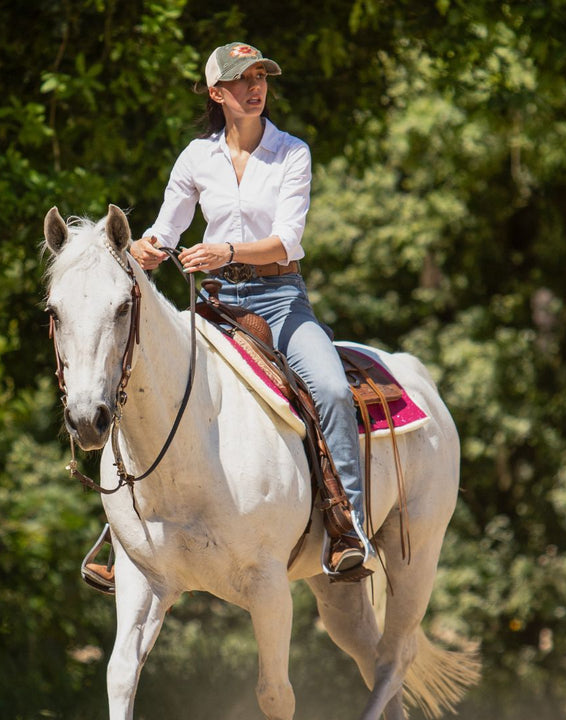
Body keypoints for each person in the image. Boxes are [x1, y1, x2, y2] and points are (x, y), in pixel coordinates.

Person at [85, 41, 375, 588]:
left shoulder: (292, 152)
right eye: (243, 79)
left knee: (333, 392)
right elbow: (164, 232)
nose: (256, 86)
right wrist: (145, 249)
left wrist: (227, 252)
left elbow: (288, 243)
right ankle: (120, 533)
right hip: (215, 304)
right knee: (141, 382)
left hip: (279, 299)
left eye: (262, 76)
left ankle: (347, 525)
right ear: (218, 93)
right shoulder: (197, 158)